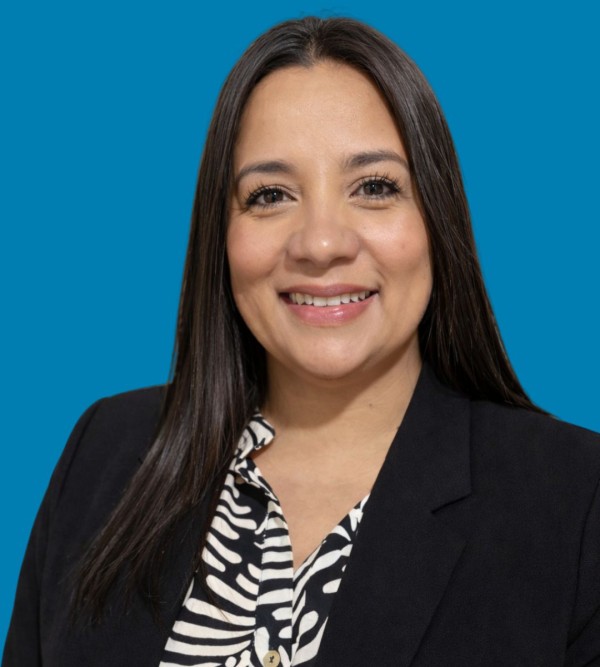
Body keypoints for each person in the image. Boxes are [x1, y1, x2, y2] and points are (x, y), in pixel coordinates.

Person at [3, 15, 600, 667]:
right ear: (220, 233)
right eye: (270, 195)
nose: (320, 243)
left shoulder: (574, 502)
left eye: (374, 187)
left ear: (437, 215)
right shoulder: (105, 454)